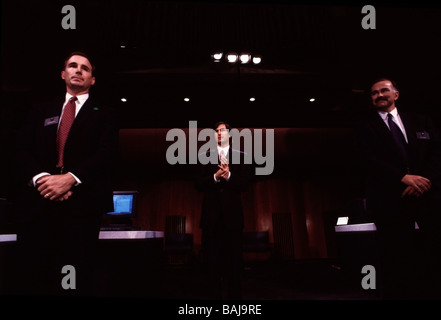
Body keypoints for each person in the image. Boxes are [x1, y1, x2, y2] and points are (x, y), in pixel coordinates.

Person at [11, 51, 119, 297]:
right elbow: (20, 150)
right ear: (63, 74)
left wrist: (70, 179)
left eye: (85, 68)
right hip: (38, 204)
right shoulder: (40, 110)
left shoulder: (105, 114)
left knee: (76, 279)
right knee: (33, 277)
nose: (78, 70)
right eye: (73, 65)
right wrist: (42, 180)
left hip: (81, 208)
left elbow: (107, 154)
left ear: (92, 79)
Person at [354, 78, 441, 299]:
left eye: (384, 90)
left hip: (427, 197)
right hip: (389, 201)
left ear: (396, 94)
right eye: (374, 93)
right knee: (396, 259)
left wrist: (424, 180)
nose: (379, 95)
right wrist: (404, 178)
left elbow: (436, 154)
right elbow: (367, 160)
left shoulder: (421, 121)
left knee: (433, 252)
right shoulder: (364, 126)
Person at [195, 121, 253, 300]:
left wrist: (227, 176)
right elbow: (197, 183)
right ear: (214, 136)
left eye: (223, 130)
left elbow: (245, 184)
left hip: (233, 221)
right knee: (211, 267)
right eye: (217, 131)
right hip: (211, 221)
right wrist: (215, 176)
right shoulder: (203, 156)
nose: (220, 133)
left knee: (235, 267)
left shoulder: (243, 156)